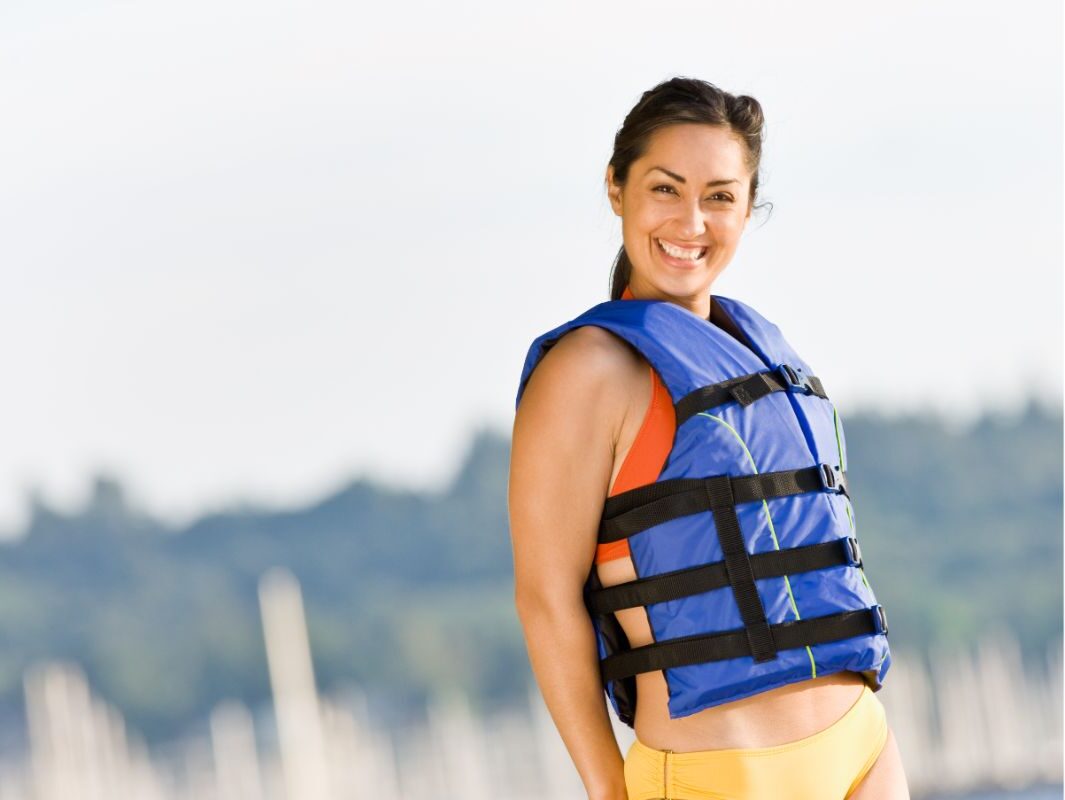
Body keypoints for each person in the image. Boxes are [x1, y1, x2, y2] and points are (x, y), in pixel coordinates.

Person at [508, 77, 911, 800]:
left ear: (748, 207)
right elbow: (544, 598)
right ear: (615, 189)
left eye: (719, 196)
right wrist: (608, 787)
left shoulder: (759, 346)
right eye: (665, 188)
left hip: (860, 749)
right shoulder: (587, 371)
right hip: (715, 775)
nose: (690, 221)